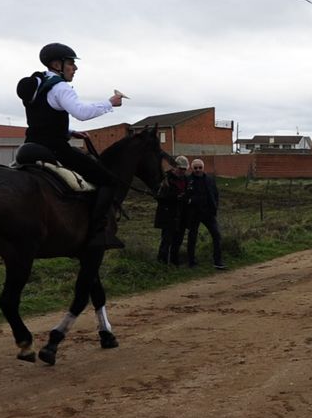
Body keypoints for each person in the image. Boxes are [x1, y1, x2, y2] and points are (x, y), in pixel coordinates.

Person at [15, 42, 126, 249]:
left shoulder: (37, 85)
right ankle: (97, 232)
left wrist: (69, 132)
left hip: (29, 146)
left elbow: (43, 119)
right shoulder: (60, 87)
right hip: (55, 149)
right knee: (109, 181)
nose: (75, 68)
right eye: (71, 64)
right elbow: (81, 113)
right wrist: (110, 103)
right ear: (57, 64)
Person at [184, 158, 225, 270]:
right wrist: (191, 201)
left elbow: (215, 194)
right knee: (192, 237)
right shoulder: (188, 180)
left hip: (208, 213)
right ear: (192, 168)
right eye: (195, 168)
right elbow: (185, 196)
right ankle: (191, 262)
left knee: (216, 235)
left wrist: (215, 206)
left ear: (203, 168)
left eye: (200, 167)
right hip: (194, 214)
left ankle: (218, 261)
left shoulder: (210, 179)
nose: (198, 170)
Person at [153, 156, 188, 265]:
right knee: (166, 240)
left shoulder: (186, 179)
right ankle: (162, 263)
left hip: (181, 214)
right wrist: (175, 197)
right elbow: (158, 196)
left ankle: (174, 261)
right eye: (181, 168)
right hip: (168, 214)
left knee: (178, 240)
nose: (182, 171)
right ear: (174, 167)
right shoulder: (166, 178)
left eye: (184, 169)